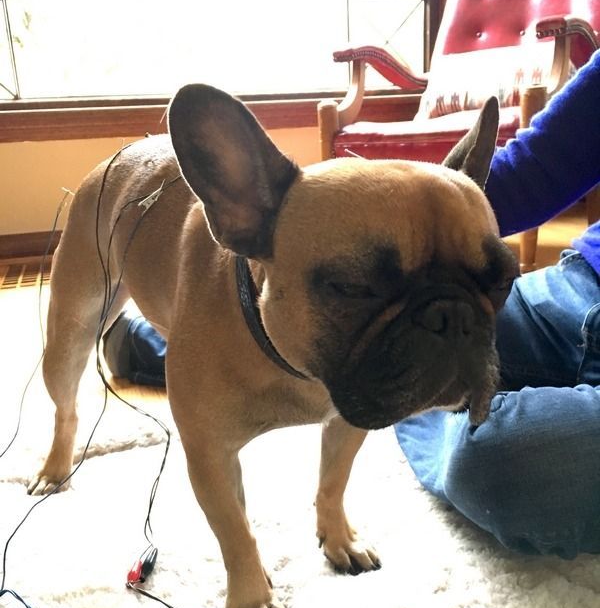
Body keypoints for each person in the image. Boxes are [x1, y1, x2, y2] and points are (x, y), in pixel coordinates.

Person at [103, 50, 600, 559]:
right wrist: (439, 194)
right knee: (401, 348)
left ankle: (174, 353)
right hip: (583, 283)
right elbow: (536, 169)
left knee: (504, 463)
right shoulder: (260, 216)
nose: (447, 325)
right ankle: (181, 350)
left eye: (494, 281)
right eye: (358, 286)